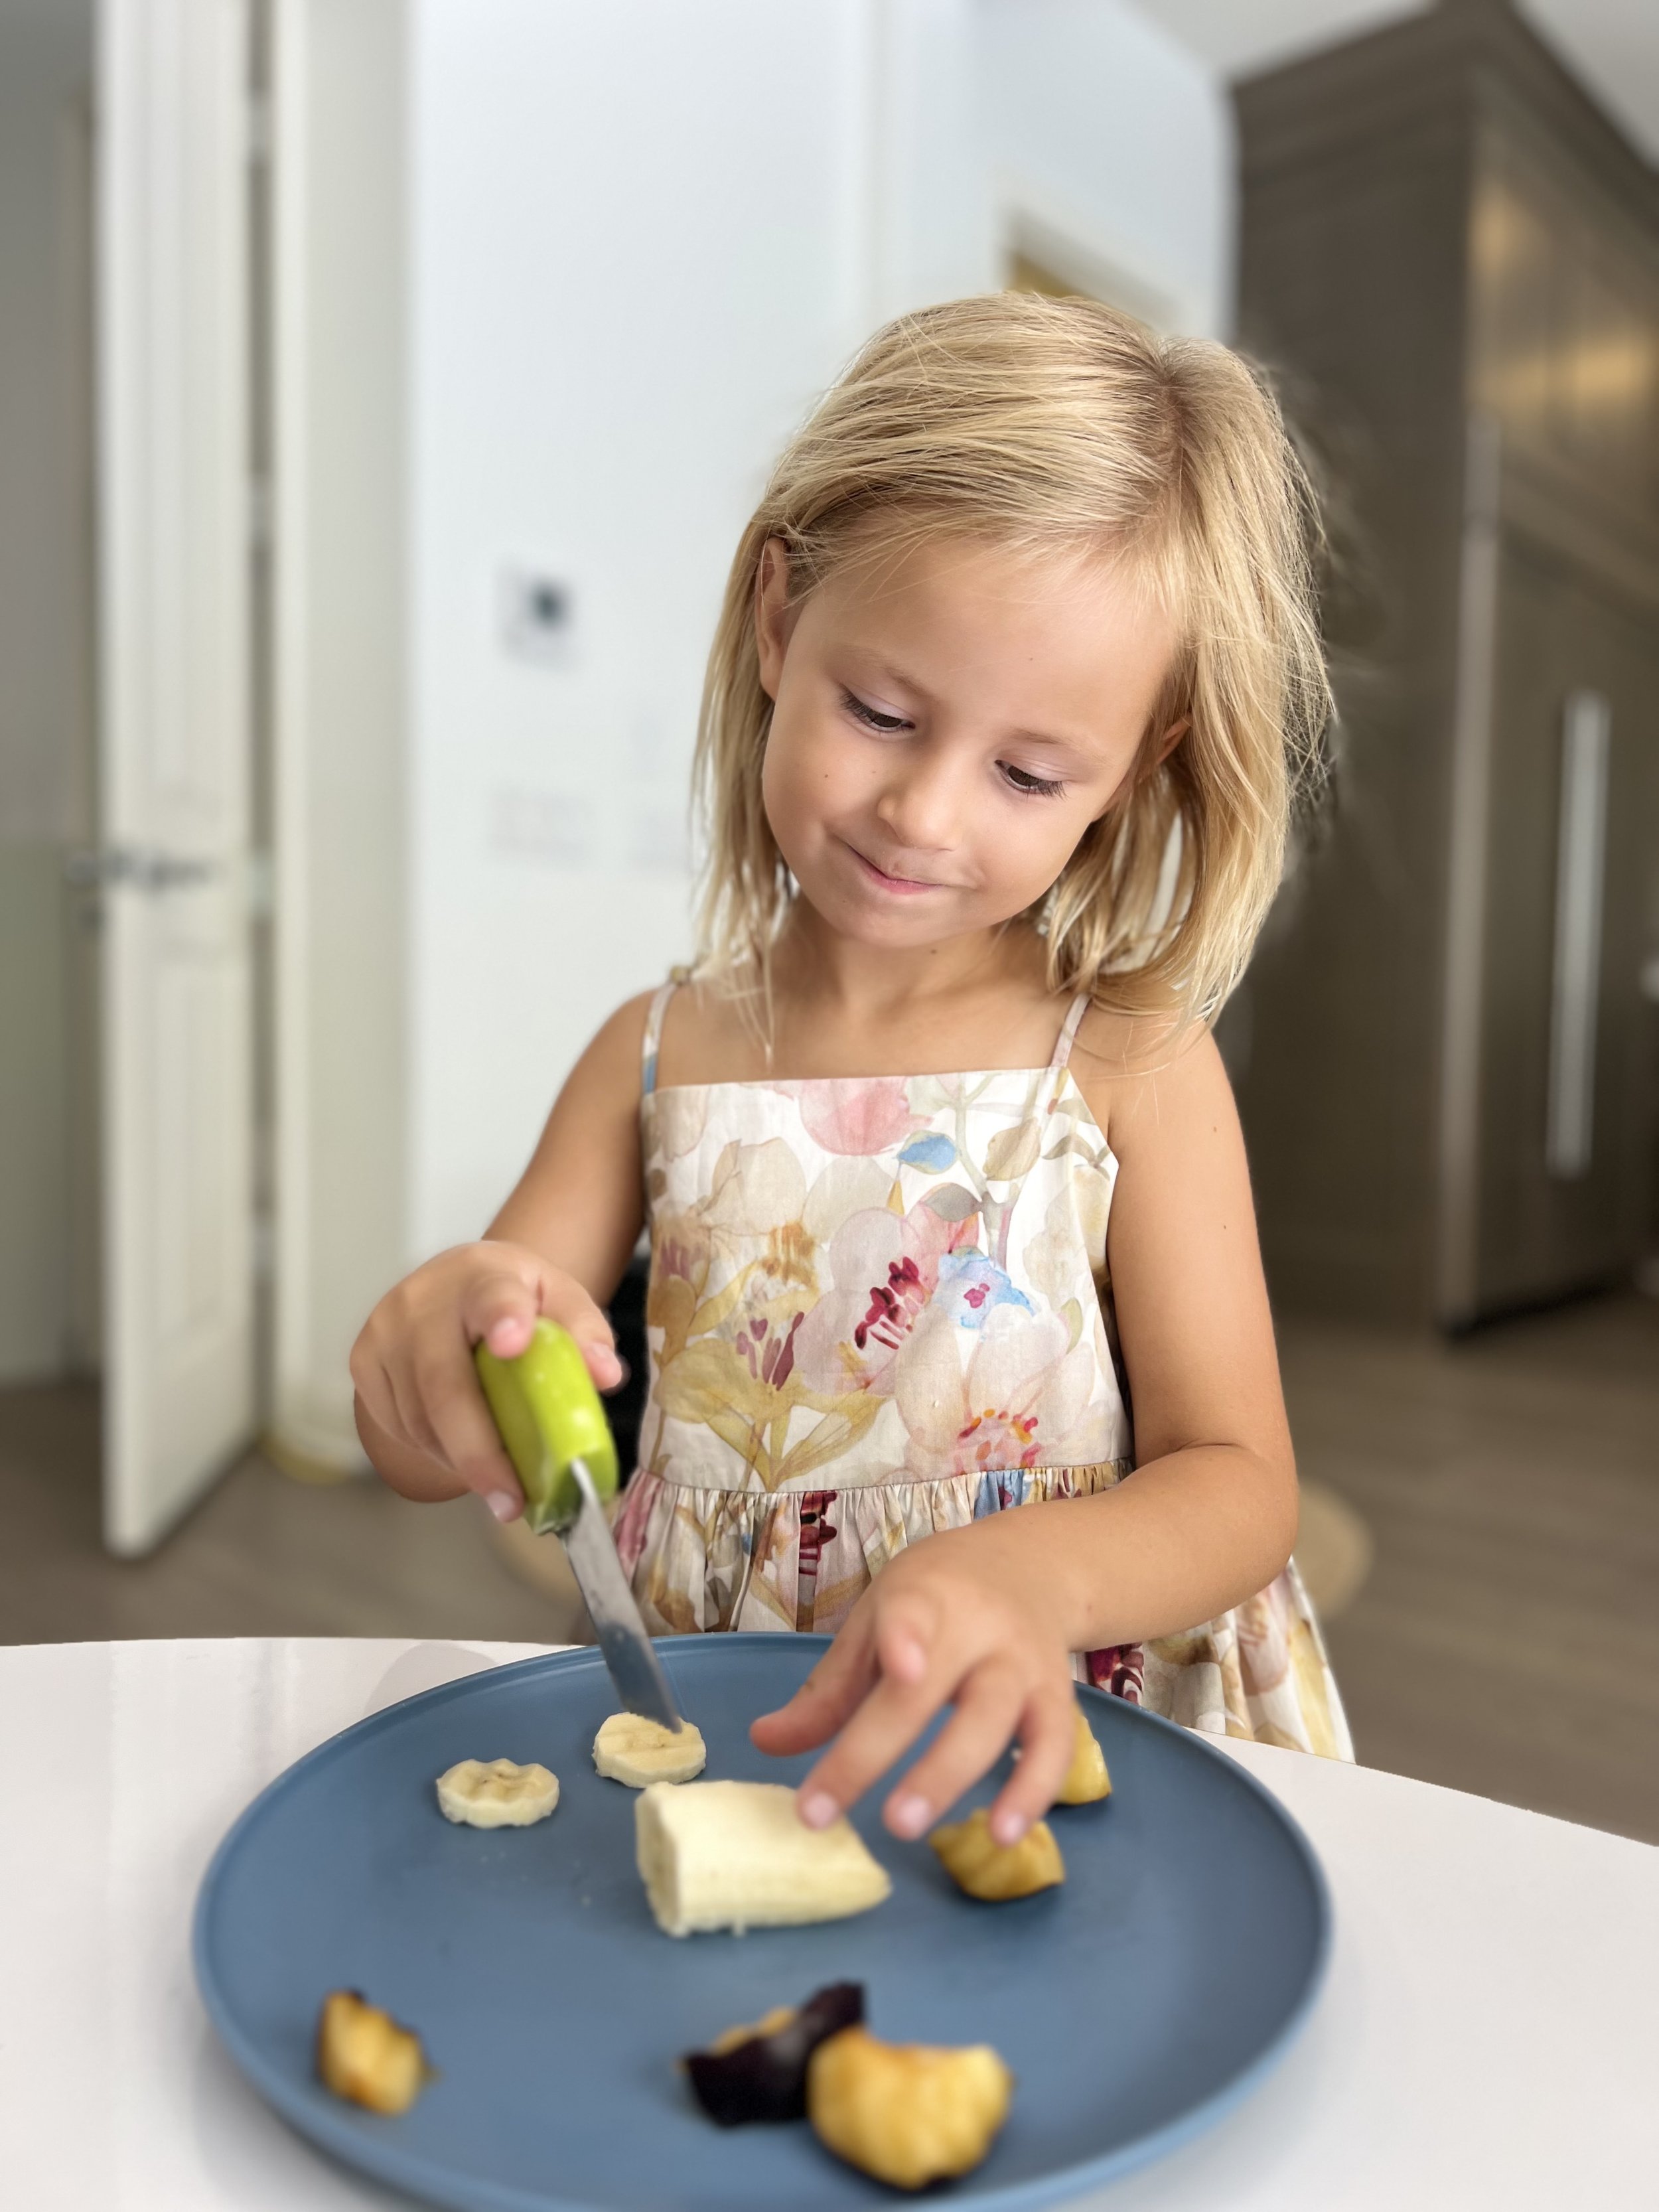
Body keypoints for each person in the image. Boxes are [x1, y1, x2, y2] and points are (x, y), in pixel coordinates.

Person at [352, 293, 1352, 1857]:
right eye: (879, 712)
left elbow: (1239, 1483)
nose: (925, 812)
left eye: (1027, 772)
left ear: (1132, 768)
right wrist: (427, 1347)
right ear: (777, 621)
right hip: (731, 1751)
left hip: (1047, 1756)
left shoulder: (1125, 1061)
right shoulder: (652, 1052)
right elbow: (454, 1425)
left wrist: (1035, 1575)